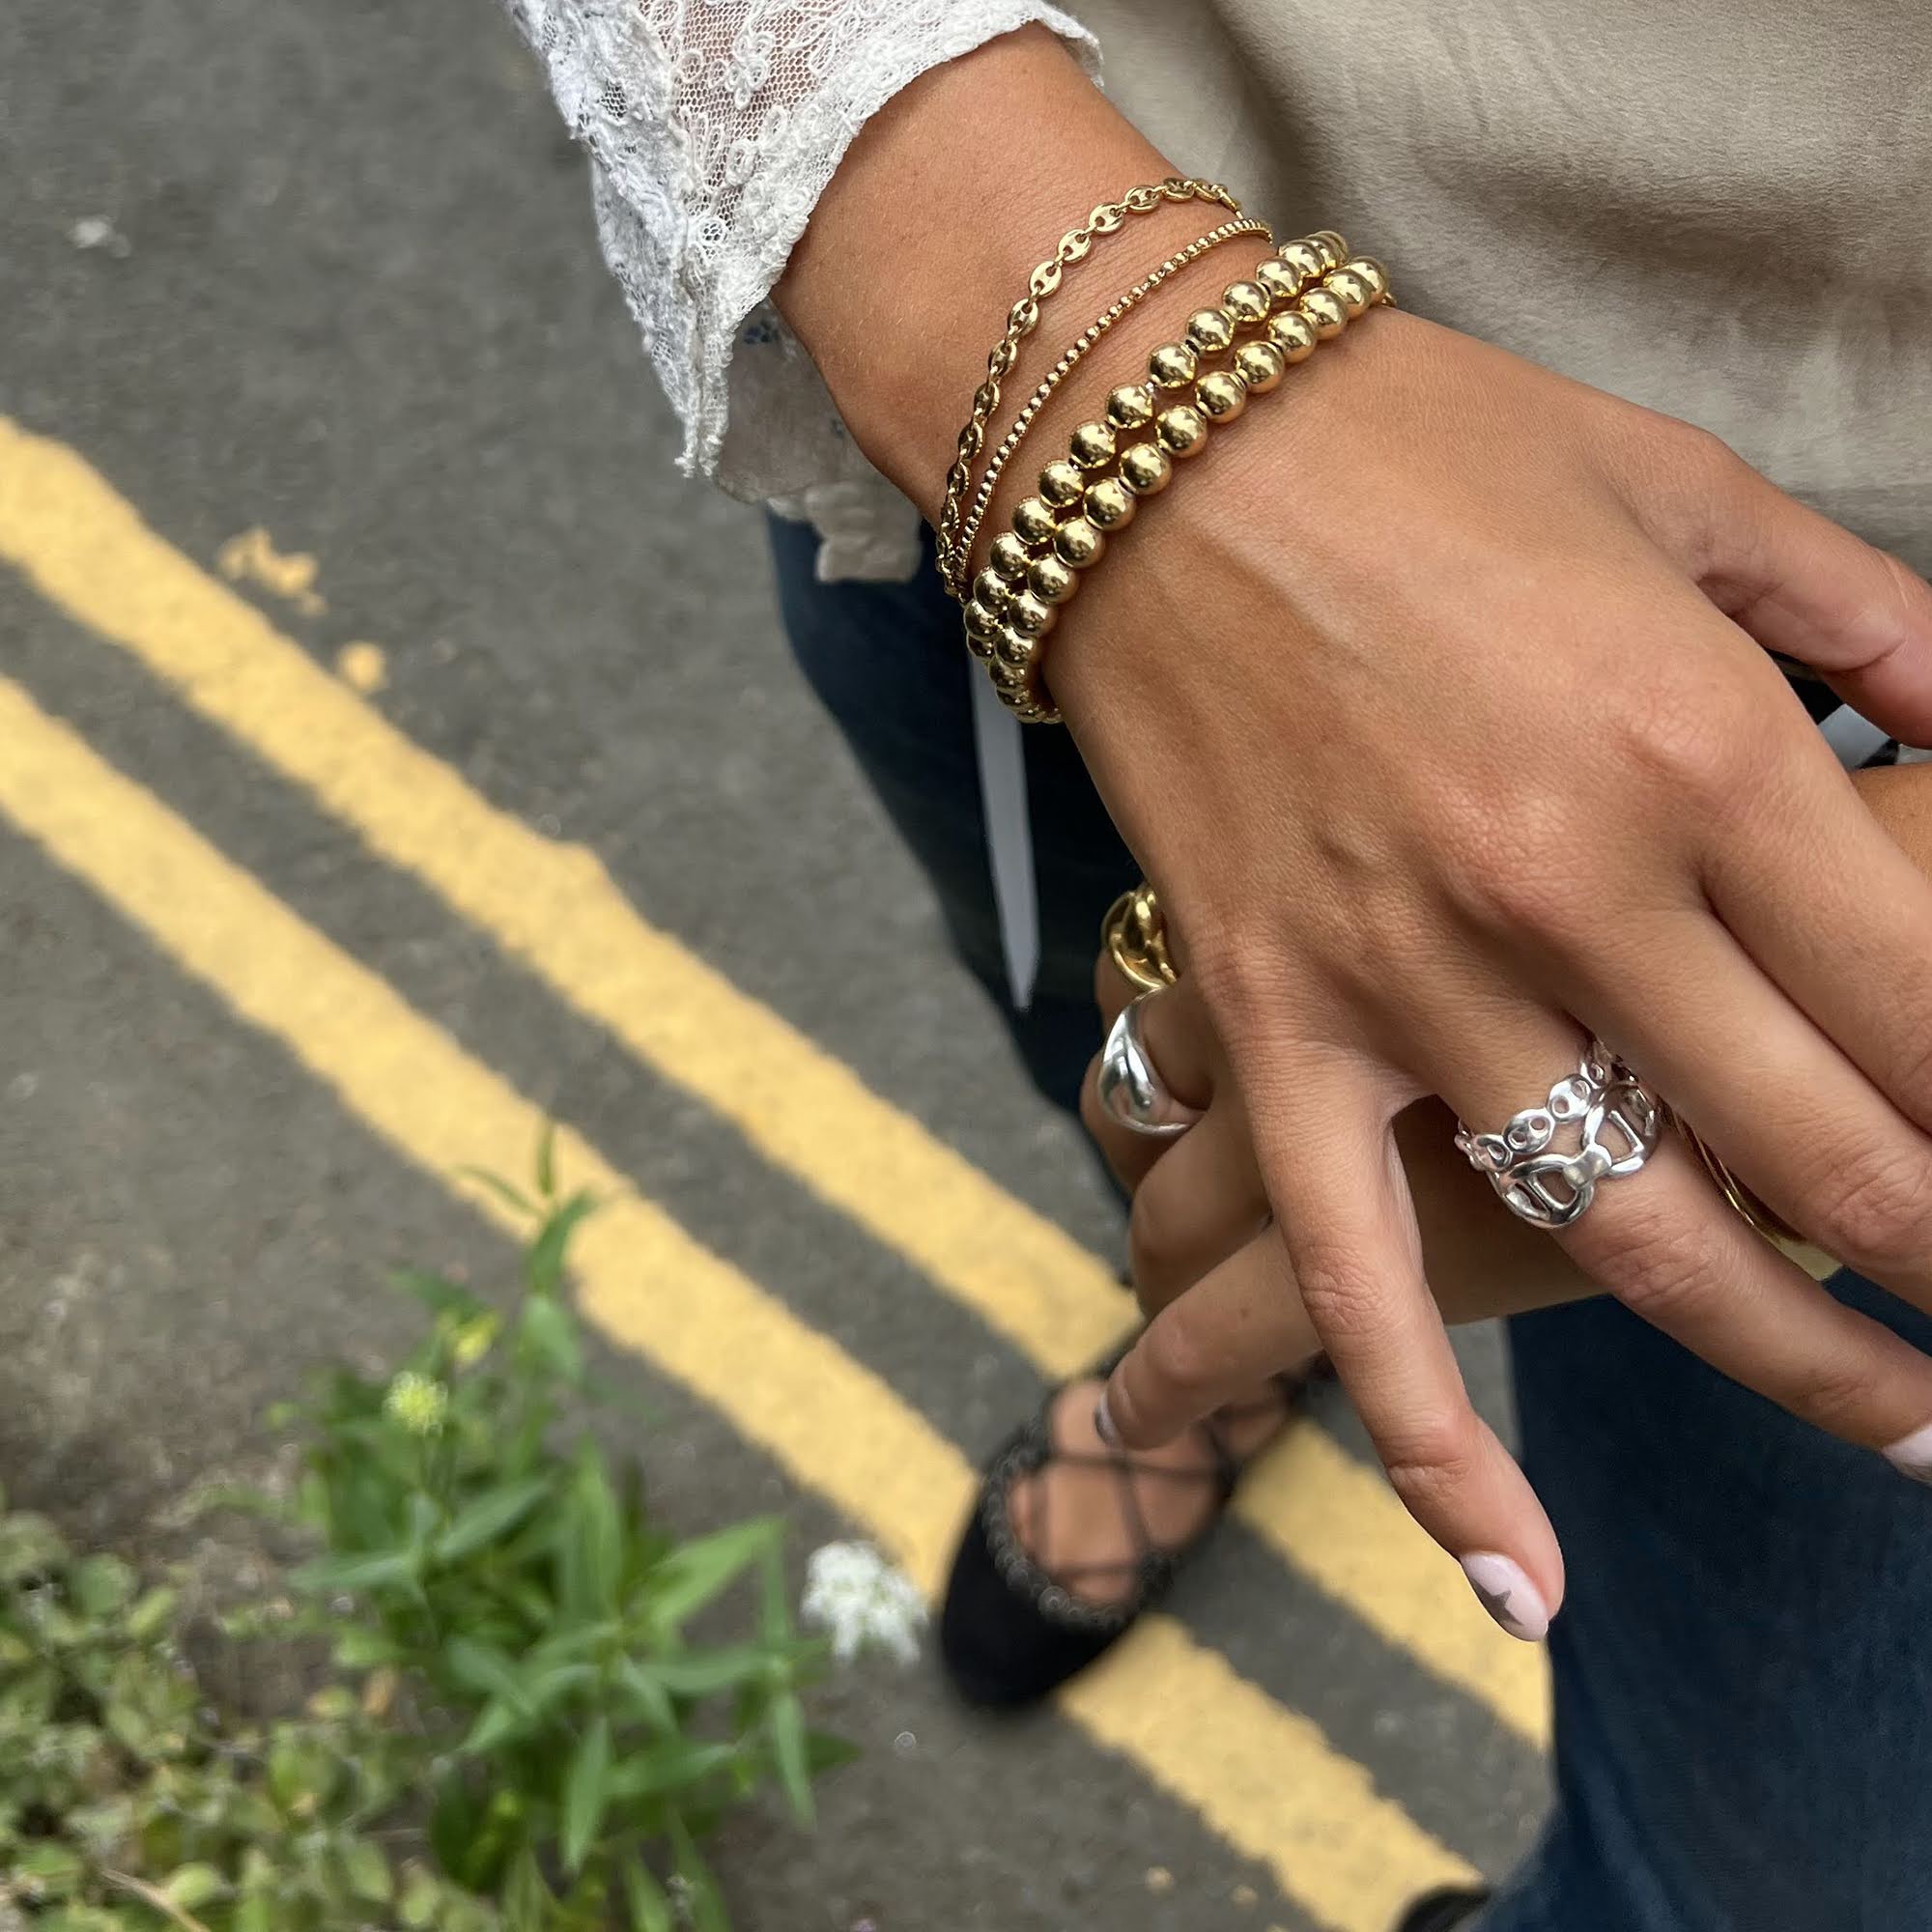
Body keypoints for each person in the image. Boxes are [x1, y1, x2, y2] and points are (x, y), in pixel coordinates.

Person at [499, 7, 1932, 1926]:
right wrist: (1074, 338)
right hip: (1046, 383)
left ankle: (1279, 1302)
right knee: (1149, 1113)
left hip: (1865, 790)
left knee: (1772, 1878)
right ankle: (1256, 1338)